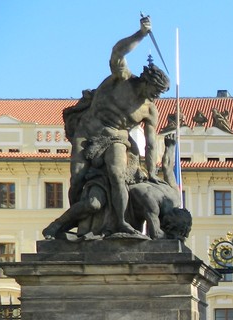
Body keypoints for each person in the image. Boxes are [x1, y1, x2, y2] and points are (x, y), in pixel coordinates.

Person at [64, 16, 170, 236]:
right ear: (147, 81)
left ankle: (121, 222)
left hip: (116, 137)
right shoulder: (123, 78)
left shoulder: (149, 110)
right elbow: (117, 52)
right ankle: (77, 224)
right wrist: (140, 33)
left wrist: (152, 172)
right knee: (77, 178)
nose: (157, 96)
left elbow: (151, 144)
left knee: (117, 174)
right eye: (156, 91)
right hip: (88, 131)